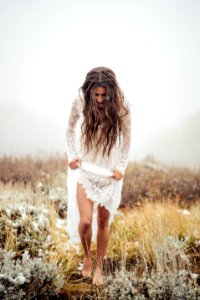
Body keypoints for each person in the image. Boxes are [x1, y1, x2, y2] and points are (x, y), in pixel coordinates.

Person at [66, 66, 131, 286]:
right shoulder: (80, 104)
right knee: (85, 221)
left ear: (111, 93)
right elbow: (69, 130)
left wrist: (121, 167)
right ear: (90, 92)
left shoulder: (122, 110)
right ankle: (86, 255)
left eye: (104, 95)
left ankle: (99, 266)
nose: (101, 100)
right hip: (85, 170)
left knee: (103, 222)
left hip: (109, 174)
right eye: (97, 95)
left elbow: (126, 144)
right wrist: (72, 155)